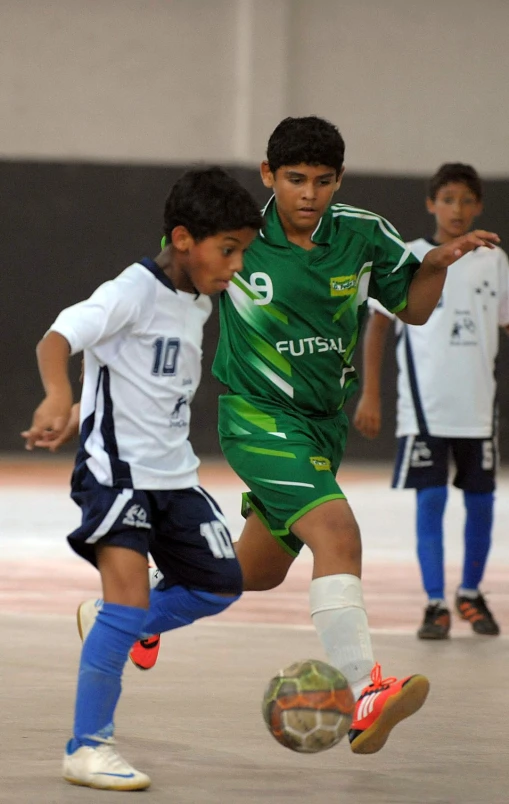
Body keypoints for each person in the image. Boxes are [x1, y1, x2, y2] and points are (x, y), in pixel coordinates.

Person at [61, 121, 500, 756]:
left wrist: (434, 265)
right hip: (258, 418)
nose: (309, 194)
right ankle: (365, 691)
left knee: (251, 573)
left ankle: (128, 619)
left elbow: (414, 309)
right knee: (338, 532)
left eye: (323, 181)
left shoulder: (363, 234)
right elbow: (167, 280)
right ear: (269, 175)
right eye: (295, 179)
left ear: (339, 181)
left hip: (321, 425)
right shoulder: (240, 236)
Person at [21, 167, 262, 791]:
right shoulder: (130, 290)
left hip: (174, 477)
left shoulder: (199, 301)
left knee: (221, 584)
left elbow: (132, 379)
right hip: (116, 475)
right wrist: (58, 397)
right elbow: (58, 339)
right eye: (228, 249)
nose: (236, 264)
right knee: (128, 600)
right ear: (184, 238)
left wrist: (85, 406)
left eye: (243, 251)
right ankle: (87, 747)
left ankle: (113, 619)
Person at [354, 162, 509, 640]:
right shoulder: (413, 256)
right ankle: (435, 602)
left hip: (478, 408)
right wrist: (370, 393)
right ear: (430, 204)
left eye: (466, 200)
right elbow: (378, 324)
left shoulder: (494, 261)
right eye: (447, 199)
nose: (457, 209)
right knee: (433, 499)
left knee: (482, 502)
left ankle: (469, 592)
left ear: (479, 206)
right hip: (425, 409)